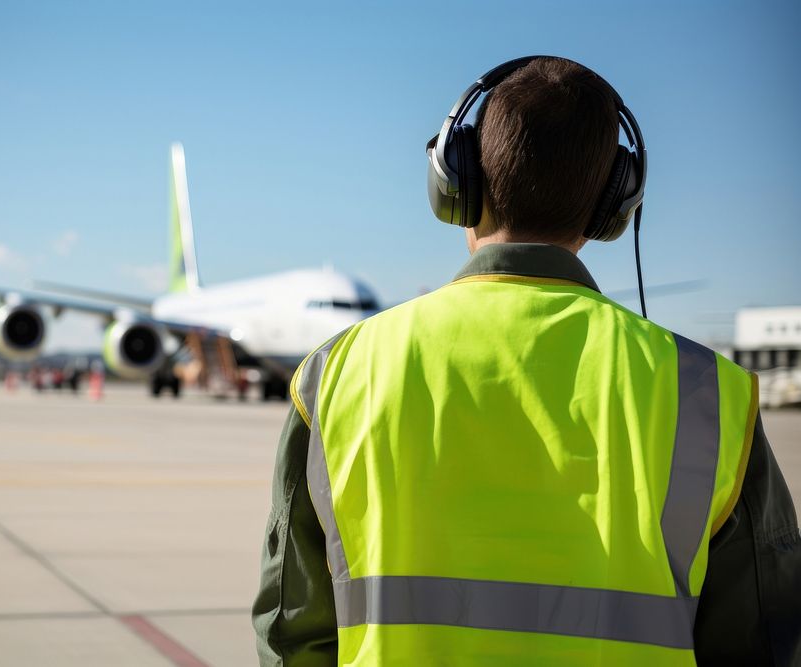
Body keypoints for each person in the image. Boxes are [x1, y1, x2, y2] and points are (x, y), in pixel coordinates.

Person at [252, 57, 800, 666]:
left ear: (456, 182)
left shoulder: (338, 374)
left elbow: (292, 632)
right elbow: (766, 641)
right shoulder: (709, 394)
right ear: (613, 202)